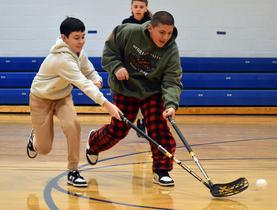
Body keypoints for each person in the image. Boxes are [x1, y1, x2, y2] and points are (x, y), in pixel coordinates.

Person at [86, 11, 183, 186]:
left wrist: (171, 105)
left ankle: (162, 170)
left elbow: (172, 80)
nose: (165, 37)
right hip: (125, 87)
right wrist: (116, 67)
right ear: (150, 27)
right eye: (161, 32)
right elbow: (109, 52)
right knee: (119, 129)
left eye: (169, 33)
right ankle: (94, 143)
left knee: (159, 128)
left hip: (152, 91)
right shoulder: (128, 31)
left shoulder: (171, 50)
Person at [26, 17, 121, 187]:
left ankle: (73, 171)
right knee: (44, 149)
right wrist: (108, 105)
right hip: (40, 99)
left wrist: (96, 78)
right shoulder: (61, 59)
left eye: (83, 36)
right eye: (76, 38)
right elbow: (83, 84)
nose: (81, 41)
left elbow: (88, 71)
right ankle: (35, 139)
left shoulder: (79, 53)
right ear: (64, 38)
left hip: (62, 97)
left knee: (73, 126)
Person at [122, 0, 152, 137]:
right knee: (134, 94)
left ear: (146, 8)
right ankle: (140, 120)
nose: (138, 9)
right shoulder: (126, 22)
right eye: (136, 6)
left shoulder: (152, 22)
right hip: (131, 63)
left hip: (149, 63)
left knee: (148, 94)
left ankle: (146, 121)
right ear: (131, 8)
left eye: (141, 7)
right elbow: (122, 43)